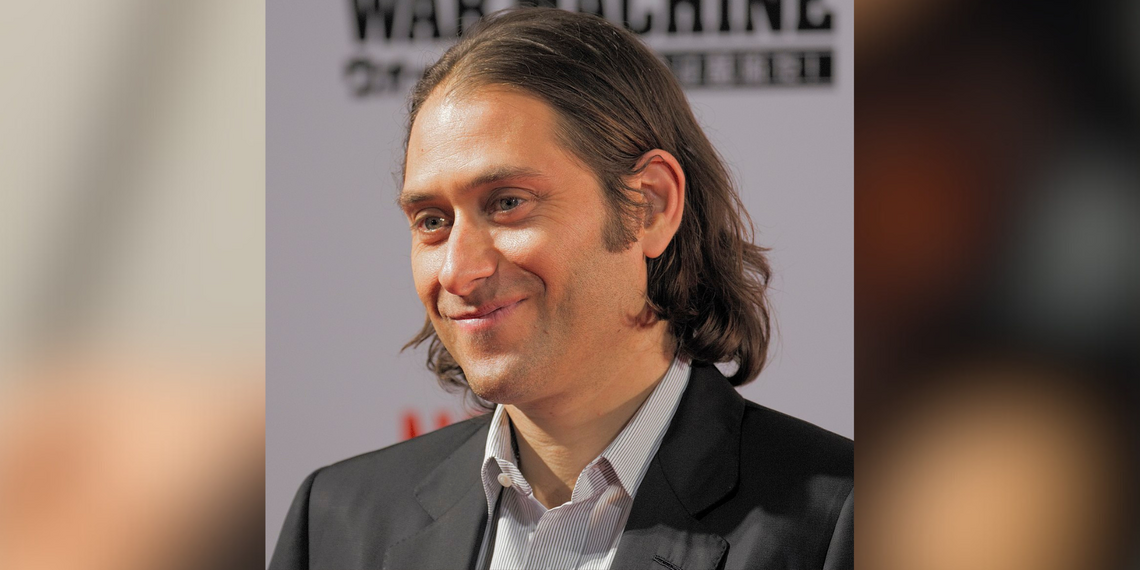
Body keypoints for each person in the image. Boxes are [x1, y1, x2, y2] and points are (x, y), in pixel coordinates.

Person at [269, 8, 852, 570]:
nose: (457, 271)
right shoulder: (337, 517)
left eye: (508, 204)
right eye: (431, 221)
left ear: (649, 205)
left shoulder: (842, 522)